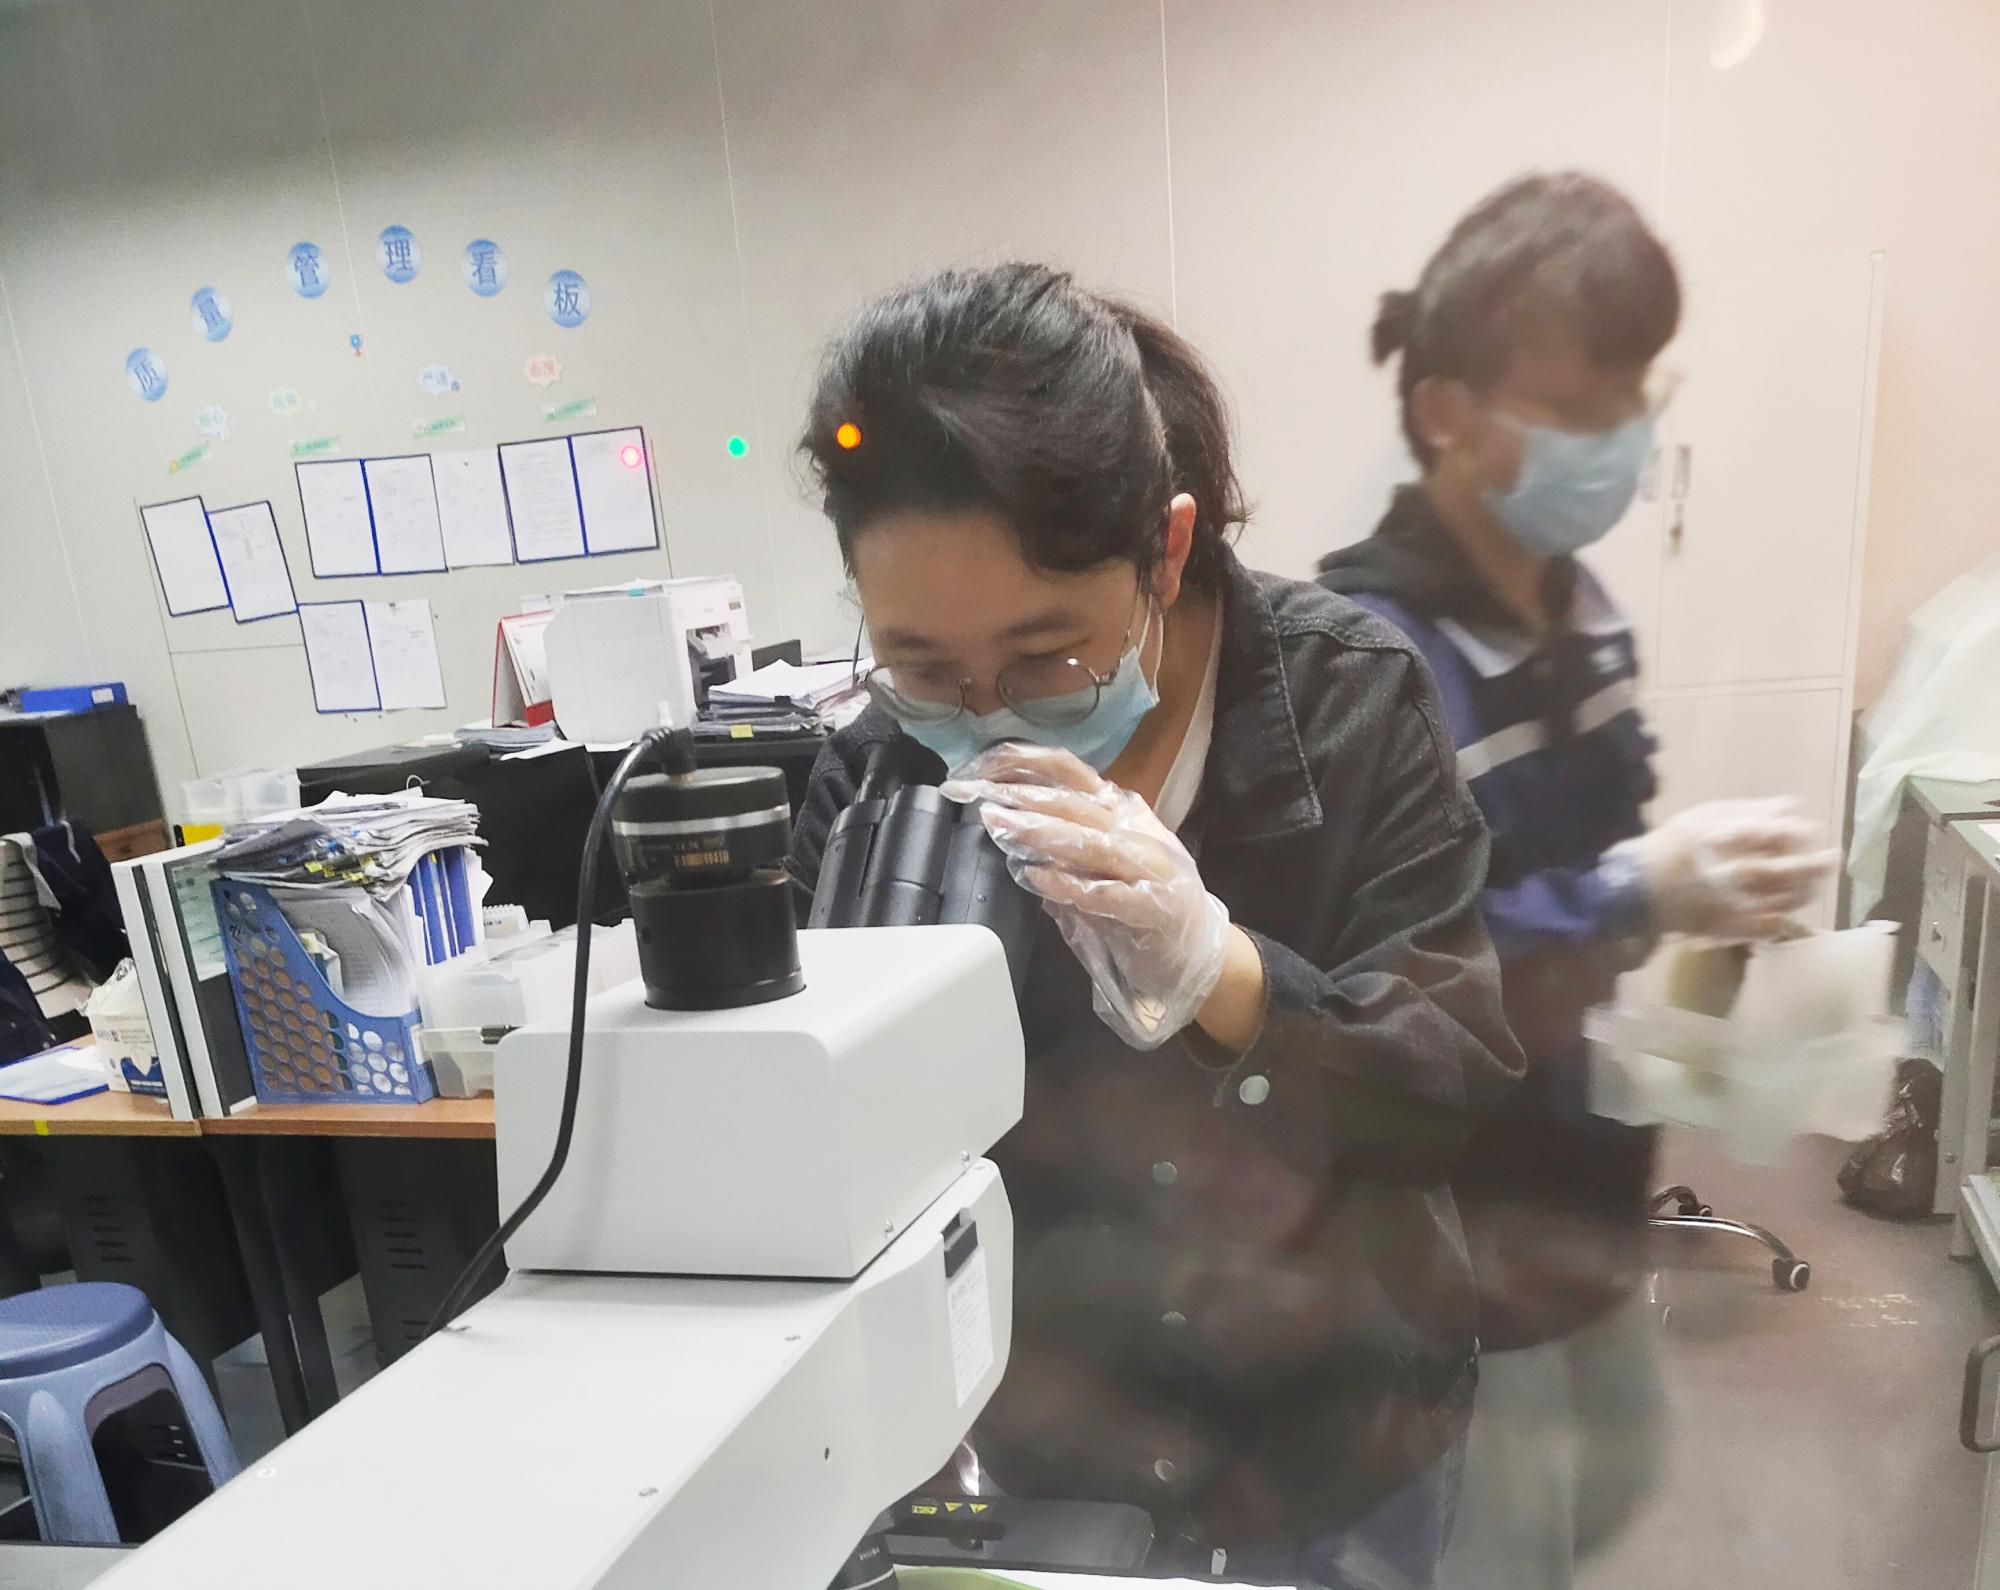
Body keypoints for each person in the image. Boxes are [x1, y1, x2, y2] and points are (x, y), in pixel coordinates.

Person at [786, 262, 1523, 1586]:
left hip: (1331, 1430)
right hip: (1048, 1446)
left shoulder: (1353, 702)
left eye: (1046, 657)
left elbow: (1448, 1087)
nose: (987, 717)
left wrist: (1224, 977)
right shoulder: (879, 769)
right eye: (923, 666)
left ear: (1166, 554)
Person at [1319, 173, 1838, 1590]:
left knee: (1613, 1470)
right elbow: (1384, 980)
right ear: (1446, 411)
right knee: (1487, 1546)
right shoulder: (1369, 657)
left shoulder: (1577, 602)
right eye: (1576, 403)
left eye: (1633, 394)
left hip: (1589, 1187)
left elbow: (1611, 841)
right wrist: (1636, 895)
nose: (1619, 437)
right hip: (1452, 1226)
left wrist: (1710, 904)